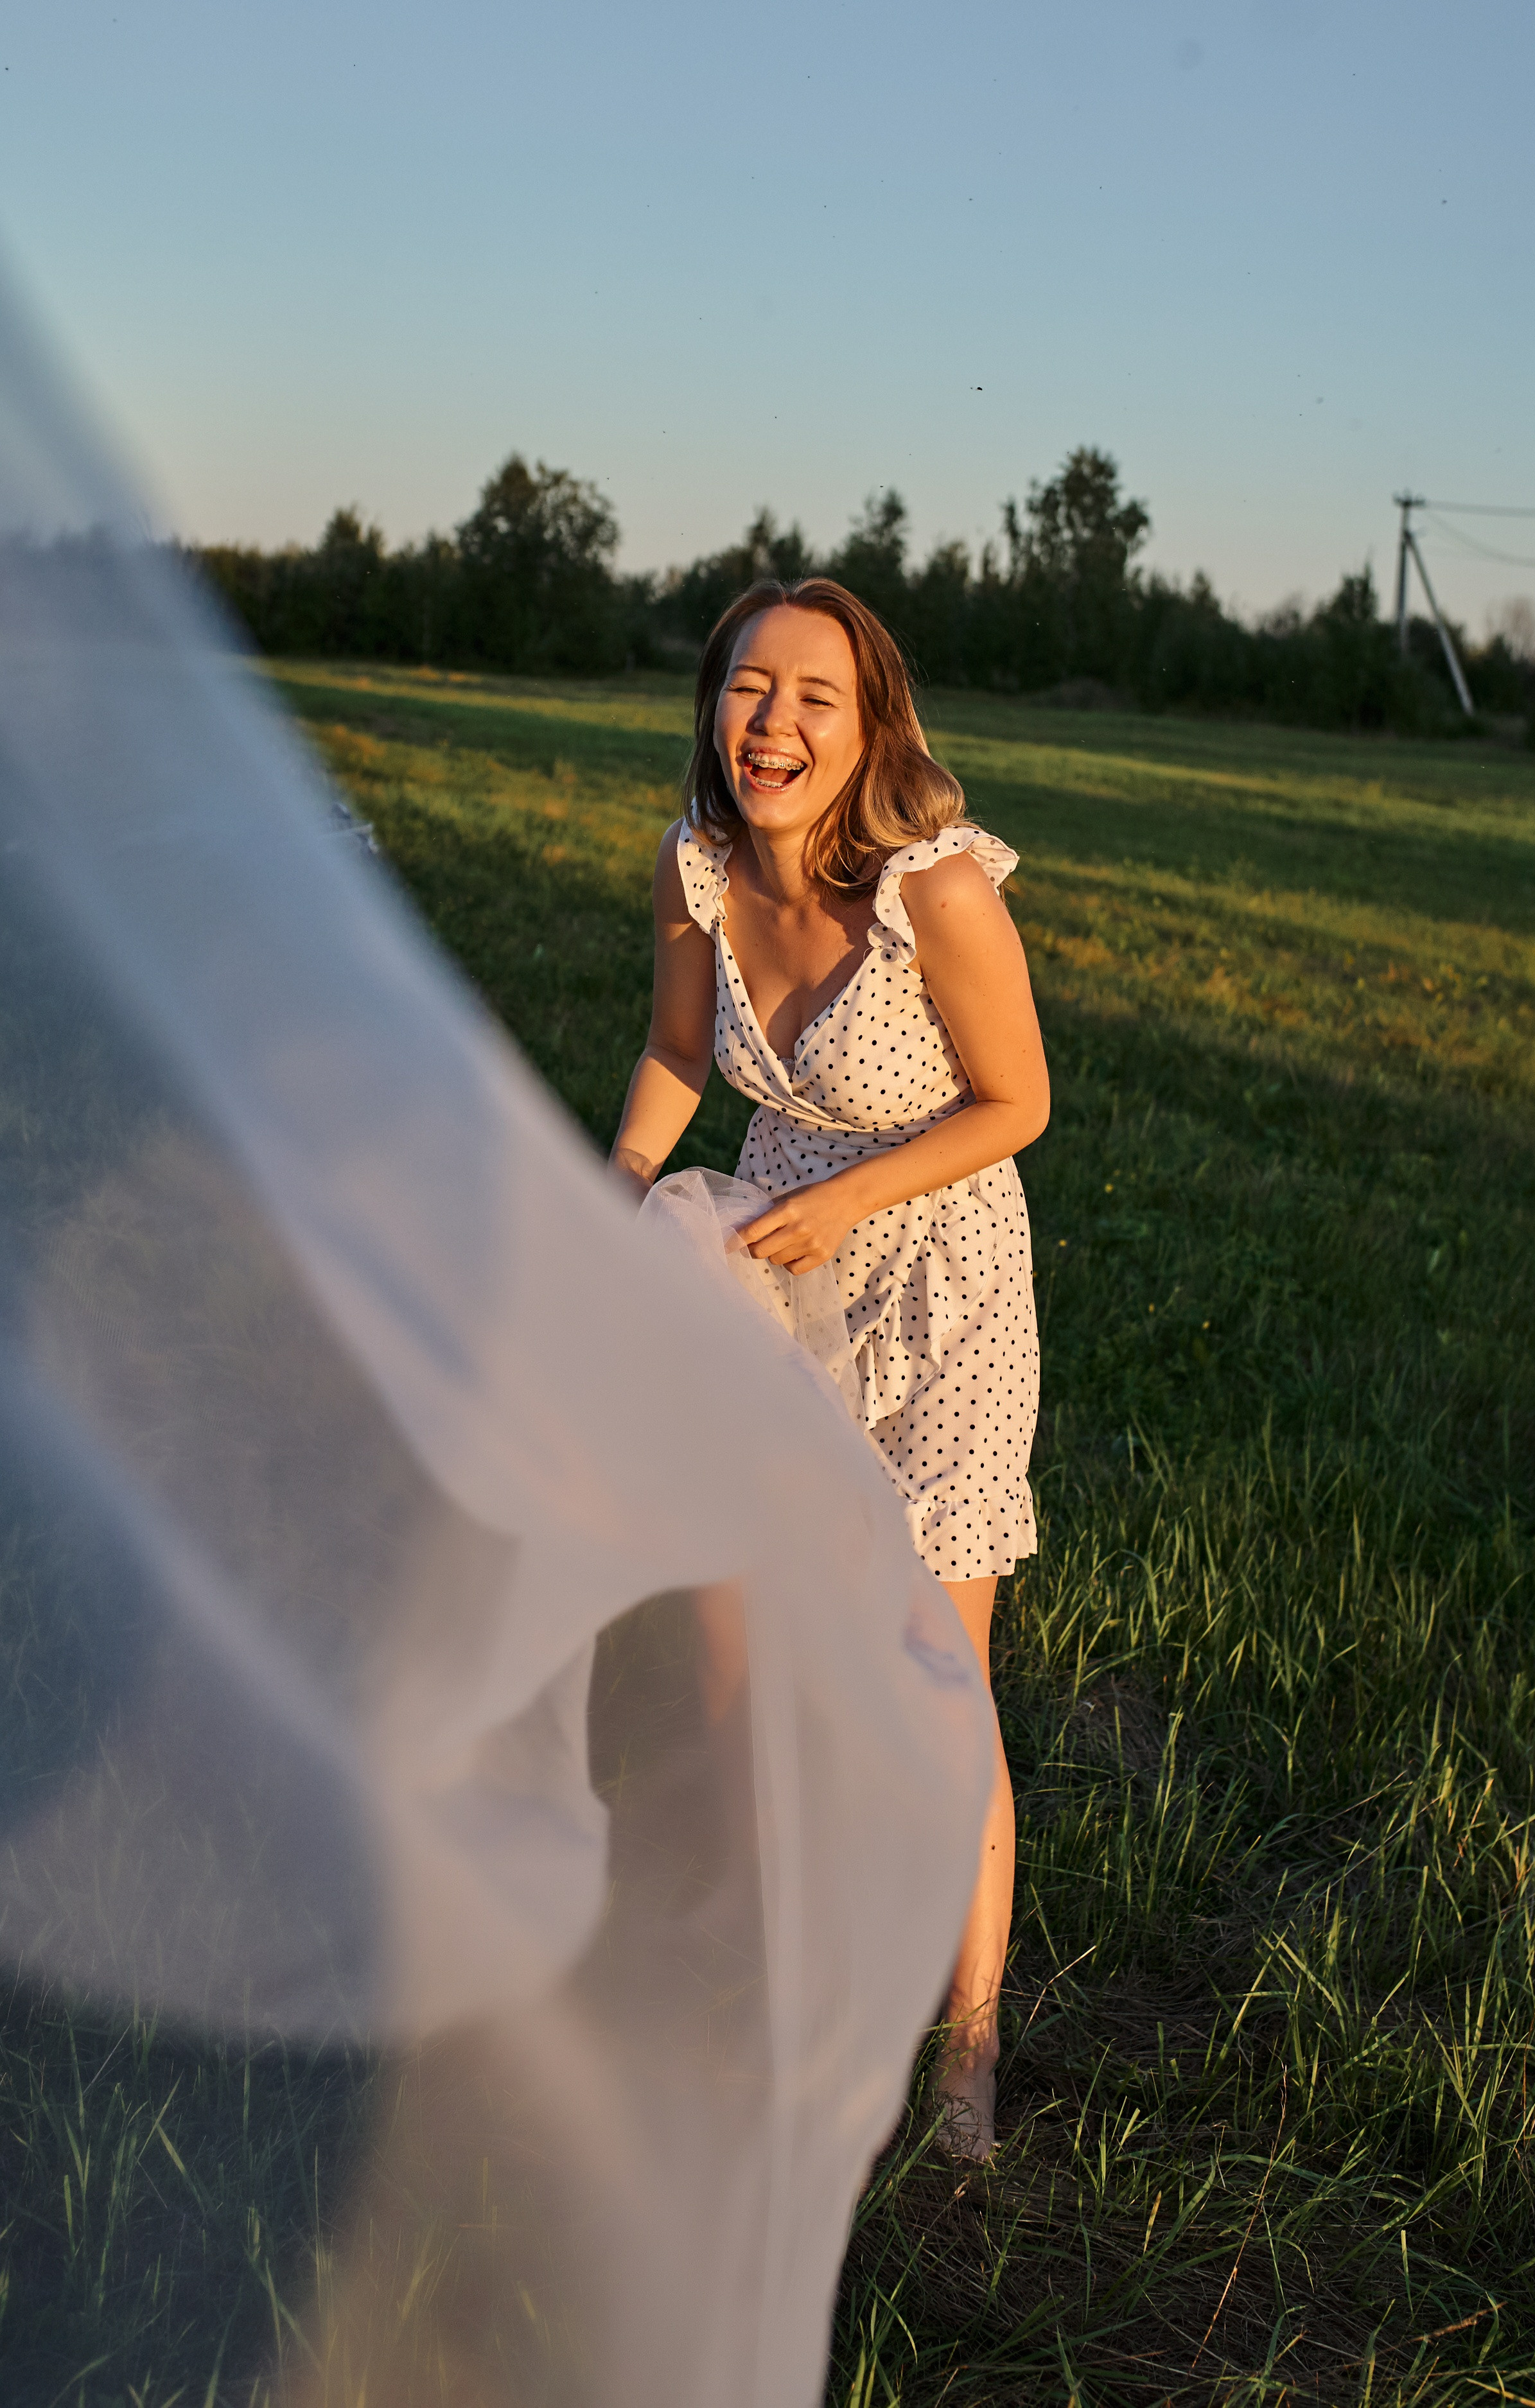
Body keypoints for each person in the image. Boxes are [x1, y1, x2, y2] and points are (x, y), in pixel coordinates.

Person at [610, 578, 1049, 2163]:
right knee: (740, 1645)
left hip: (938, 1285)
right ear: (710, 708)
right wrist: (613, 1205)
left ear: (869, 727)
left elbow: (1016, 1103)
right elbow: (675, 1052)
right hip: (765, 1268)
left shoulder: (934, 890)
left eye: (812, 697)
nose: (772, 725)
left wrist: (842, 1204)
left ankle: (966, 2048)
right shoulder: (696, 869)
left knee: (938, 1684)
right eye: (747, 690)